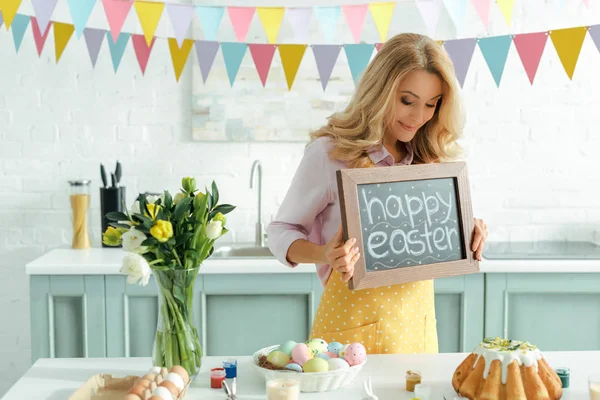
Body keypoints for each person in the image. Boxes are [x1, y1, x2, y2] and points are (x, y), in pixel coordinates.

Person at [267, 33, 488, 355]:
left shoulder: (430, 159)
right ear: (380, 91)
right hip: (350, 333)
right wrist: (325, 254)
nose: (418, 117)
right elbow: (280, 231)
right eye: (407, 101)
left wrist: (467, 229)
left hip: (417, 332)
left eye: (431, 104)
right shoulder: (329, 153)